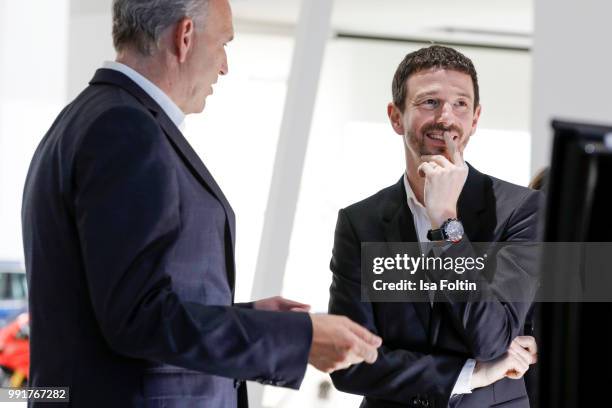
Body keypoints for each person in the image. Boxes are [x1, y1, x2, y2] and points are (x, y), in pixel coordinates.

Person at [21, 0, 382, 406]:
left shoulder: (92, 119)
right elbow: (140, 318)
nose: (224, 65)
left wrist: (250, 318)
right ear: (185, 36)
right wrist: (300, 339)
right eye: (224, 43)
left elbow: (120, 306)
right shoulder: (125, 129)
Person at [328, 45, 541, 407]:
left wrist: (446, 223)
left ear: (475, 119)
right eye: (429, 102)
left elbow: (490, 338)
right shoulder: (359, 222)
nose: (446, 117)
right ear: (396, 117)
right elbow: (349, 364)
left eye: (460, 104)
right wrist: (469, 374)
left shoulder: (520, 210)